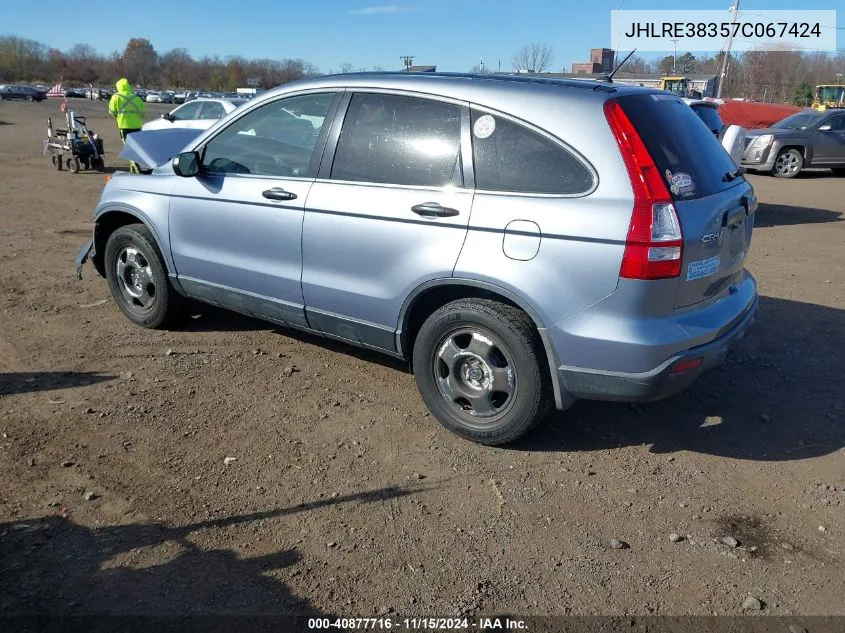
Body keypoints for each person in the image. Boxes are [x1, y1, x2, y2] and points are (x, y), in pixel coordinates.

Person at [108, 78, 145, 173]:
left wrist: (119, 116)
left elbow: (112, 111)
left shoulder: (116, 97)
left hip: (124, 126)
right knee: (136, 148)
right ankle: (133, 170)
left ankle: (137, 171)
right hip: (137, 126)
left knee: (130, 150)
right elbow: (142, 113)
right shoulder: (136, 98)